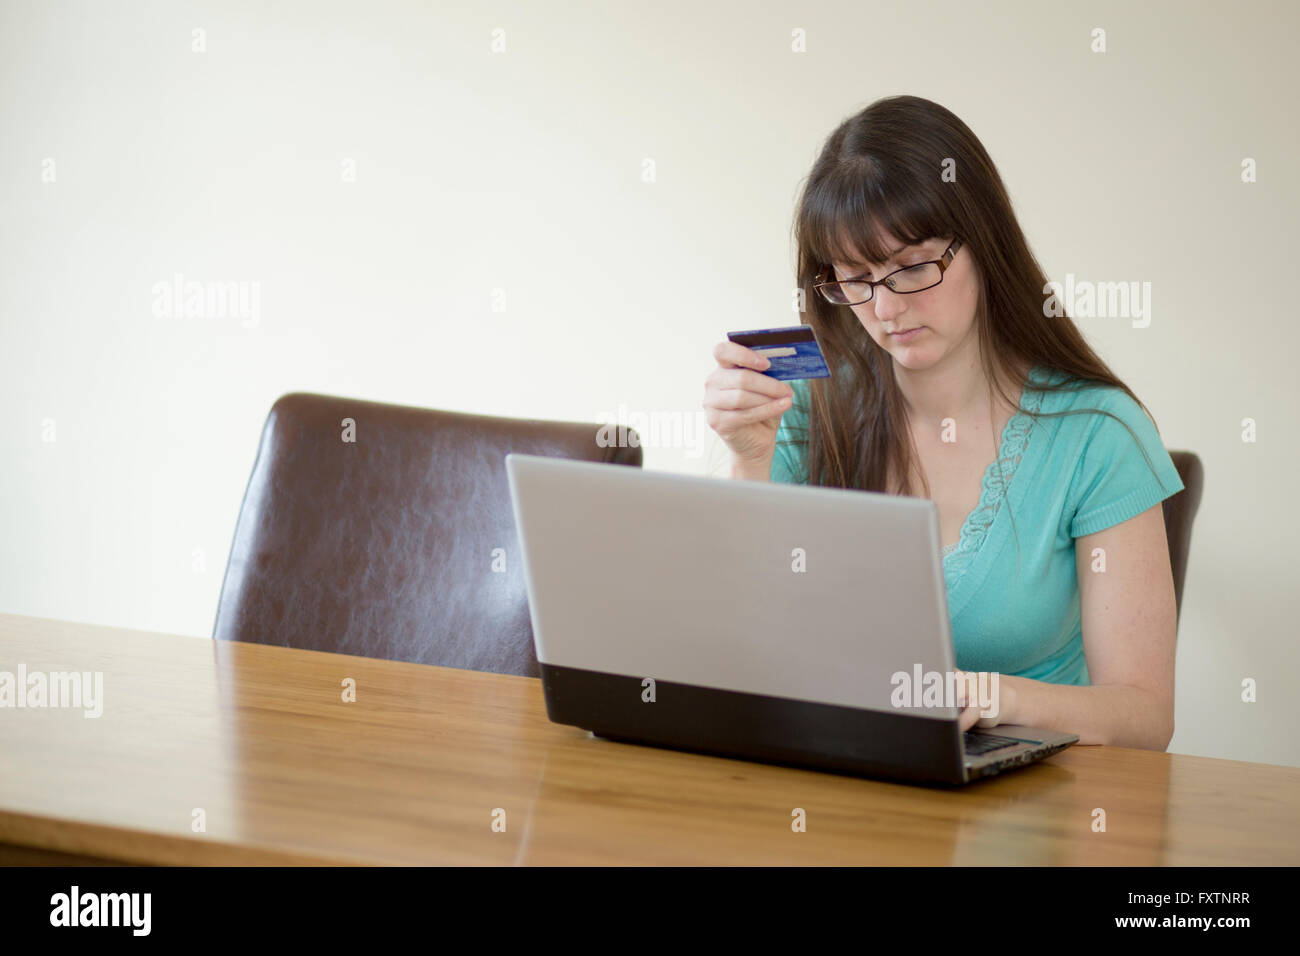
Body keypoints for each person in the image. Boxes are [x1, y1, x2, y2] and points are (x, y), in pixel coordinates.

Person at [703, 95, 1183, 749]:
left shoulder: (1098, 434)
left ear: (983, 243)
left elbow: (1145, 718)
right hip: (836, 783)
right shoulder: (811, 410)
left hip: (1030, 806)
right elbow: (736, 645)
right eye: (856, 277)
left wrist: (995, 698)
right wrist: (749, 461)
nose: (887, 307)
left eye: (913, 265)